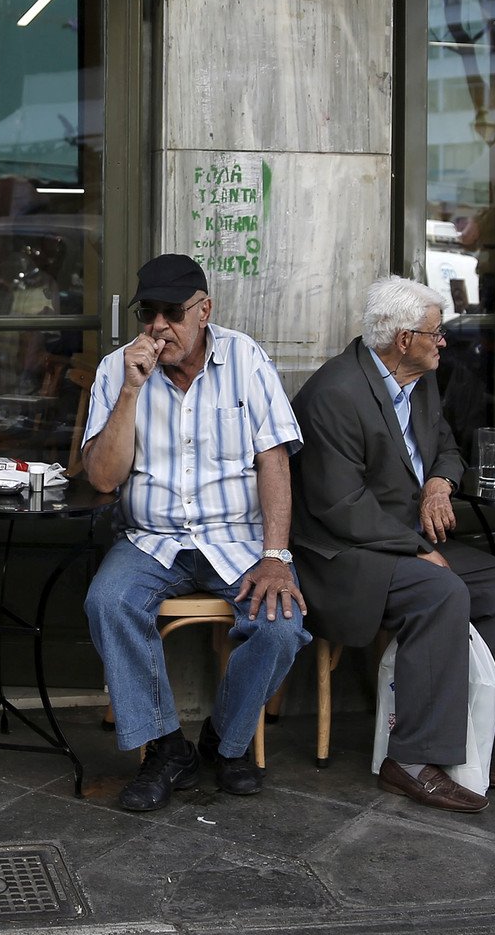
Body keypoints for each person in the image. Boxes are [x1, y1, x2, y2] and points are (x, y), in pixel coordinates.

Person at [291, 276, 495, 814]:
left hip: (402, 540)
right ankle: (413, 758)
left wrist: (439, 485)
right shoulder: (335, 394)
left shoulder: (420, 380)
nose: (443, 341)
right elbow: (341, 505)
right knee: (440, 589)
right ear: (404, 340)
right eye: (435, 332)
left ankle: (472, 745)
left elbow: (446, 446)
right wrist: (418, 548)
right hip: (344, 555)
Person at [79, 254, 309, 812]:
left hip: (238, 539)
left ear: (204, 310)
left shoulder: (245, 359)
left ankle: (226, 739)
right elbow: (103, 479)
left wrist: (276, 555)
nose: (159, 327)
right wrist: (131, 391)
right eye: (148, 314)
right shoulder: (117, 370)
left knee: (280, 626)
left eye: (173, 313)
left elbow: (274, 460)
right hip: (151, 539)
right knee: (108, 601)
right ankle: (165, 750)